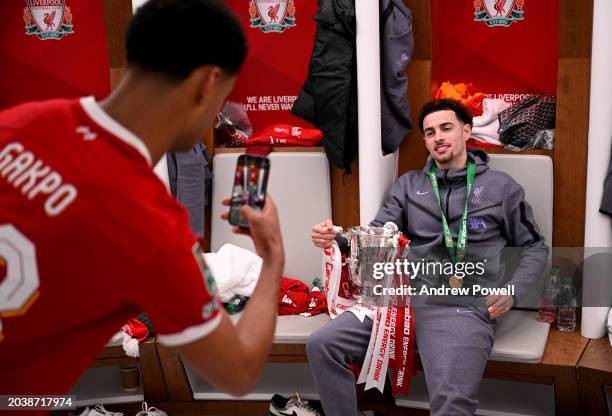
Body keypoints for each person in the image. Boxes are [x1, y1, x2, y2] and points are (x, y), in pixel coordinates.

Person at [0, 0, 284, 404]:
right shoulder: (153, 227)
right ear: (208, 84)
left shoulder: (20, 122)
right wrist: (272, 256)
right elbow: (238, 372)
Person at [309, 98, 548, 415]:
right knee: (322, 345)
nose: (438, 137)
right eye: (430, 132)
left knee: (452, 402)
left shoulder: (501, 188)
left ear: (466, 131)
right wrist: (336, 238)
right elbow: (378, 236)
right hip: (403, 299)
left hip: (462, 305)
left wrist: (512, 291)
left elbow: (535, 246)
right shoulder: (409, 185)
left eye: (446, 128)